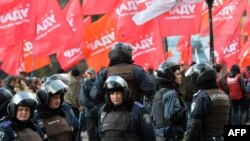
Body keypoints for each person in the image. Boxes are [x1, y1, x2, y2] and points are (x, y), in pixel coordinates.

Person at [90, 42, 155, 107]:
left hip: (112, 114)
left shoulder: (103, 73)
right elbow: (150, 91)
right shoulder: (137, 70)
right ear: (128, 53)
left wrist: (106, 108)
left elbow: (94, 95)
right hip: (134, 111)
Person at [99, 75, 155, 141]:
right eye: (112, 93)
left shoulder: (137, 110)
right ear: (108, 96)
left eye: (118, 93)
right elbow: (100, 134)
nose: (115, 97)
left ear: (124, 93)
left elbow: (149, 135)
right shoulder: (103, 111)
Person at [184, 63, 230, 141]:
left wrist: (188, 138)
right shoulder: (224, 95)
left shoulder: (202, 96)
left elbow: (194, 124)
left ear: (199, 78)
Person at [152, 60, 187, 141]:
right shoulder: (171, 93)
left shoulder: (159, 93)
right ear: (170, 76)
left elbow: (153, 118)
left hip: (159, 136)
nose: (180, 76)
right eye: (177, 74)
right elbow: (171, 115)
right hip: (171, 136)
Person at [80, 68, 99, 141]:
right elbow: (83, 98)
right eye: (88, 74)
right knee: (91, 130)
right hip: (89, 111)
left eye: (91, 73)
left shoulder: (99, 82)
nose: (89, 75)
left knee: (100, 128)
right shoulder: (85, 84)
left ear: (95, 73)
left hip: (99, 109)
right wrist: (92, 107)